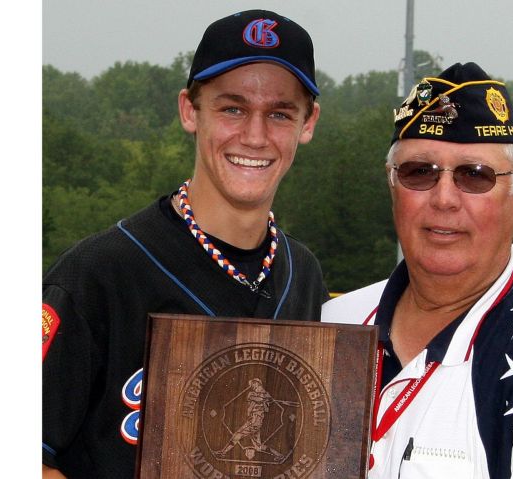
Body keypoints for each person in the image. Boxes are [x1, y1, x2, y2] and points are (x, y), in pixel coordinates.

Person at [42, 10, 327, 478]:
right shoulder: (98, 274)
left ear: (308, 123)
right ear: (189, 111)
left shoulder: (305, 274)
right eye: (232, 108)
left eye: (279, 113)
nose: (255, 136)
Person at [322, 62, 513, 478]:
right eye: (420, 172)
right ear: (391, 183)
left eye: (474, 176)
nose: (444, 199)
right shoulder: (330, 326)